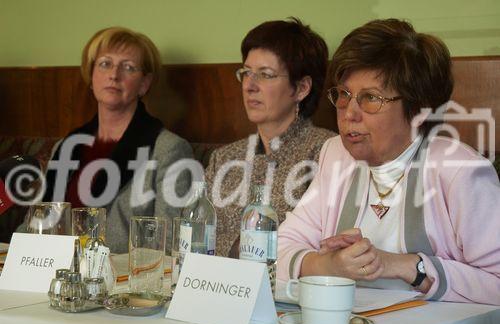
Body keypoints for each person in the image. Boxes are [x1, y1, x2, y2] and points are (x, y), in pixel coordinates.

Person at [277, 18, 500, 305]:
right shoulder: (336, 155)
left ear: (417, 108)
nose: (349, 113)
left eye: (371, 98)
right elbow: (278, 248)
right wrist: (327, 265)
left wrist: (406, 266)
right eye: (344, 95)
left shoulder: (460, 171)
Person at [18, 27, 193, 253]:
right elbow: (33, 225)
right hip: (54, 273)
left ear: (144, 84)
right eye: (105, 64)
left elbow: (170, 244)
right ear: (91, 76)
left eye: (128, 67)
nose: (114, 74)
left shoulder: (169, 150)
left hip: (119, 281)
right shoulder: (67, 146)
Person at [205, 18, 335, 257]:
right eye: (246, 73)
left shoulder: (326, 152)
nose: (249, 86)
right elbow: (198, 238)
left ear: (302, 88)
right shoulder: (223, 158)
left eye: (265, 75)